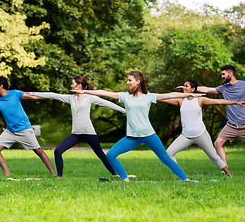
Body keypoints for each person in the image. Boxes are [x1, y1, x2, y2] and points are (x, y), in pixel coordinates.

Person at [71, 71, 204, 182]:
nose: (127, 83)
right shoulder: (125, 96)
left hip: (148, 134)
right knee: (110, 155)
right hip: (132, 136)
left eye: (130, 80)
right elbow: (105, 93)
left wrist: (190, 94)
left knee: (165, 158)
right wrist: (85, 92)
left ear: (138, 81)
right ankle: (125, 180)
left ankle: (186, 180)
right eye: (127, 80)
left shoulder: (149, 96)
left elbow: (169, 95)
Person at [26, 76, 127, 177]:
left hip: (89, 133)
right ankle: (59, 177)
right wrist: (31, 93)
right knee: (58, 151)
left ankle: (115, 174)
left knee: (101, 155)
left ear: (79, 85)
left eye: (73, 83)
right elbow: (53, 95)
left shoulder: (89, 97)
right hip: (76, 133)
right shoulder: (71, 98)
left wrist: (125, 111)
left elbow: (108, 104)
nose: (71, 85)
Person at [162, 80, 245, 176]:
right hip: (186, 136)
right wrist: (149, 96)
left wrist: (235, 102)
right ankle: (180, 175)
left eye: (186, 86)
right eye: (183, 86)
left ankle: (229, 174)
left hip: (201, 134)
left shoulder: (200, 100)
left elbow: (218, 101)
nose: (184, 88)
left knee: (214, 157)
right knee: (169, 153)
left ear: (193, 89)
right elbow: (164, 97)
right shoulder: (180, 100)